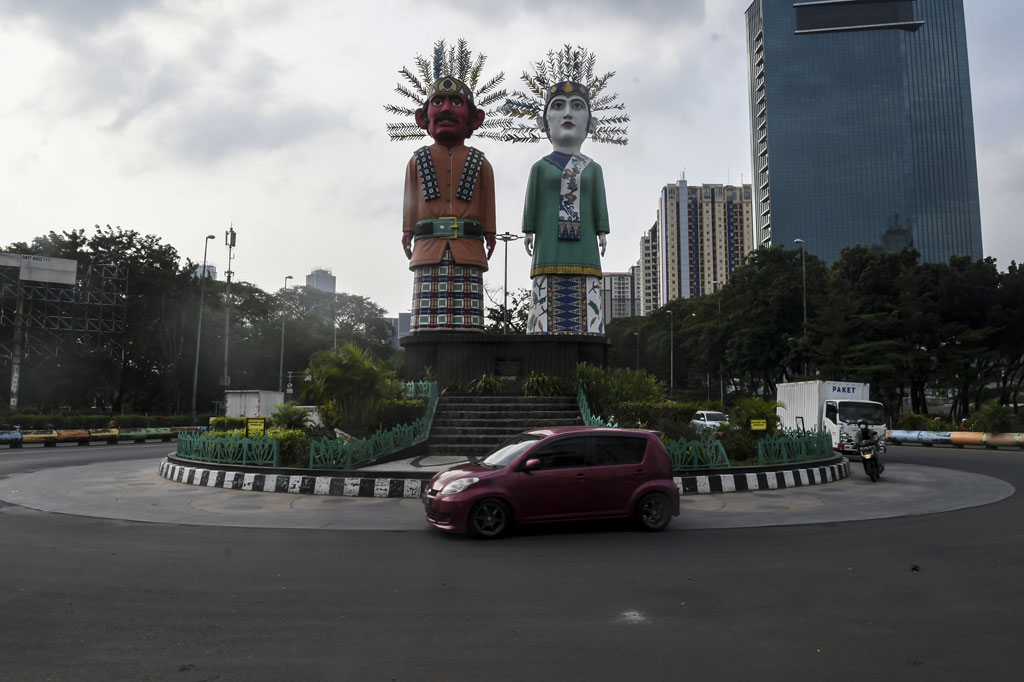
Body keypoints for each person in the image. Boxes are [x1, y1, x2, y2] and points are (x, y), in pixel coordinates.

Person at [402, 76, 496, 333]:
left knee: (469, 322)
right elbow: (410, 197)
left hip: (468, 246)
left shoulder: (481, 162)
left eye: (456, 102)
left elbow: (488, 200)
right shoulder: (417, 160)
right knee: (426, 322)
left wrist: (490, 232)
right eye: (438, 102)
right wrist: (407, 230)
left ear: (474, 118)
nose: (445, 109)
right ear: (423, 117)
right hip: (428, 246)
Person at [521, 81, 609, 335]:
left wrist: (602, 230)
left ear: (591, 123)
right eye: (558, 106)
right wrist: (528, 230)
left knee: (587, 292)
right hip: (548, 242)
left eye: (577, 106)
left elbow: (599, 202)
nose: (568, 113)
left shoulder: (593, 168)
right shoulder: (540, 167)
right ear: (543, 122)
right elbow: (532, 201)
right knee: (546, 290)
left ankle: (590, 331)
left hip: (585, 245)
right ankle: (541, 331)